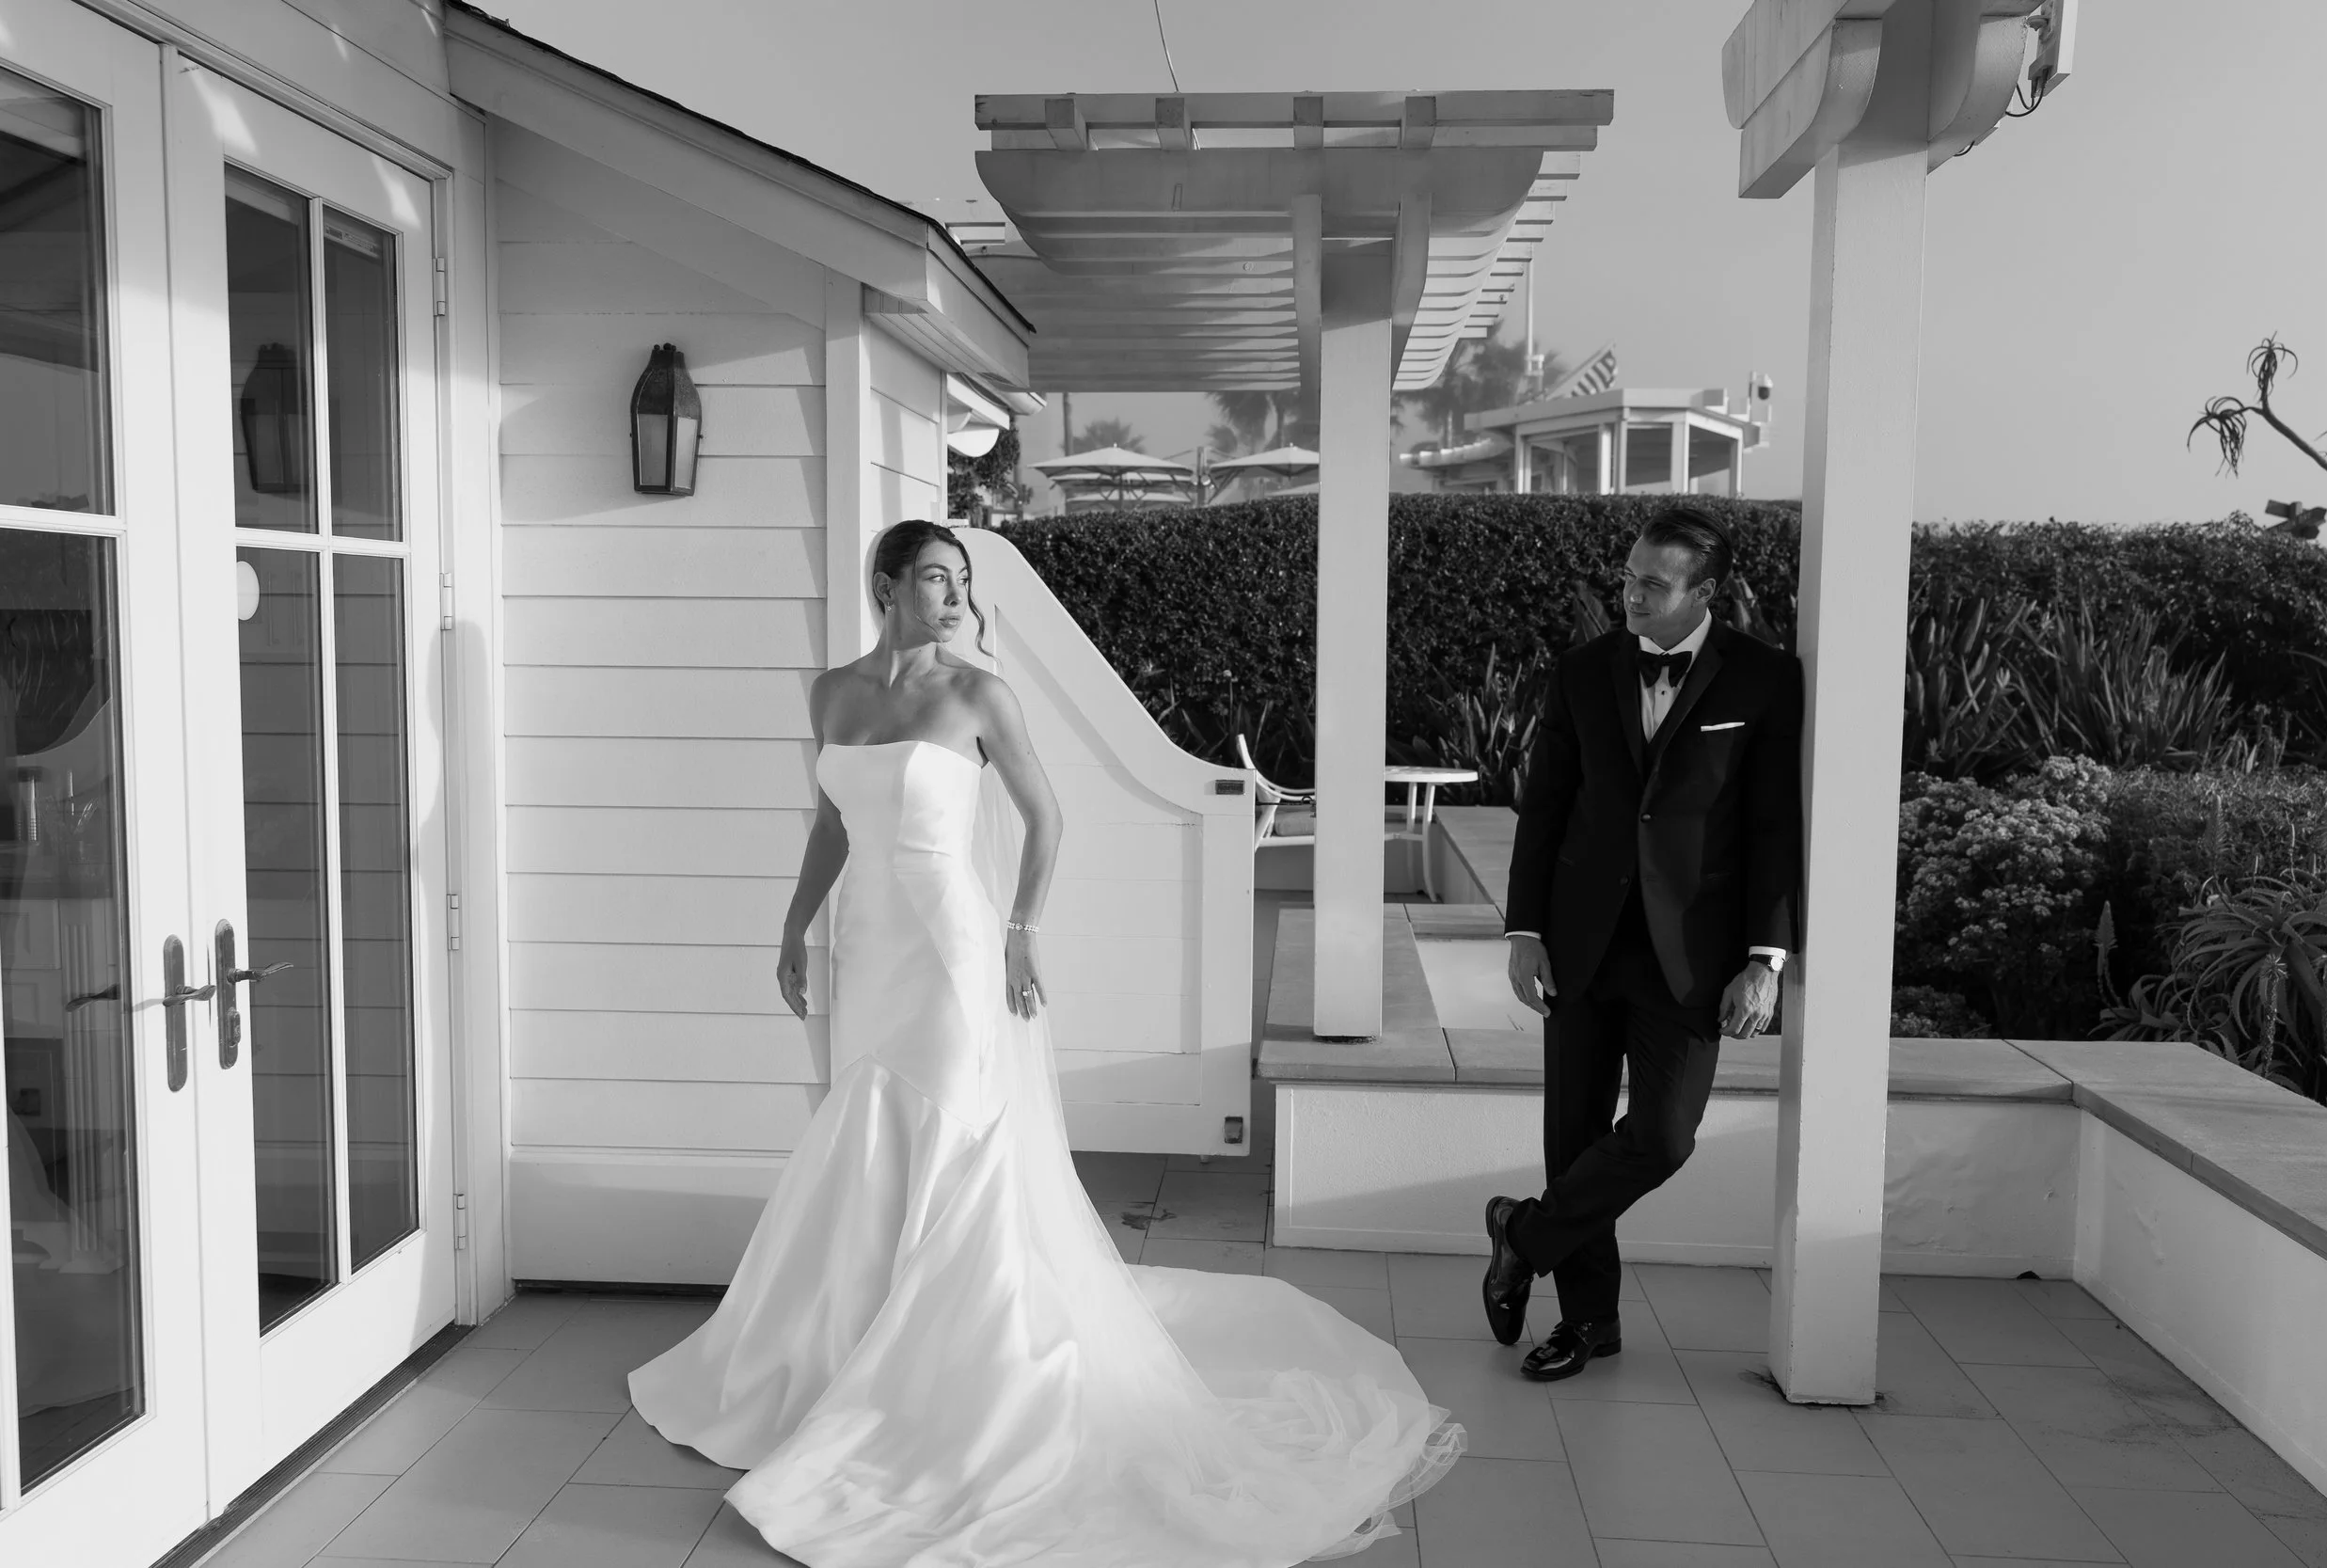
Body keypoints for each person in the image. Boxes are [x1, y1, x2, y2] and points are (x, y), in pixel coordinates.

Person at [629, 520, 1462, 1565]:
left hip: (954, 947)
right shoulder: (832, 693)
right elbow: (834, 823)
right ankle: (852, 1341)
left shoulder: (980, 695)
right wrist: (795, 924)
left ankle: (960, 1365)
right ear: (886, 585)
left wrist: (1020, 929)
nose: (954, 599)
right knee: (873, 1127)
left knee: (955, 1130)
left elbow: (1046, 817)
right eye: (936, 579)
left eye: (961, 582)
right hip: (871, 946)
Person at [1481, 507, 1804, 1382]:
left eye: (1653, 584)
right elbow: (1545, 810)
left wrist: (1766, 958)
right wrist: (1524, 930)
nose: (1630, 595)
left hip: (1691, 954)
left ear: (1705, 591)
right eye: (1627, 578)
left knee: (1663, 1137)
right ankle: (1589, 1321)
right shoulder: (1581, 672)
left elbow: (1775, 826)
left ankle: (1523, 1234)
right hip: (1579, 942)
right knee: (1573, 1133)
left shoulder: (1766, 679)